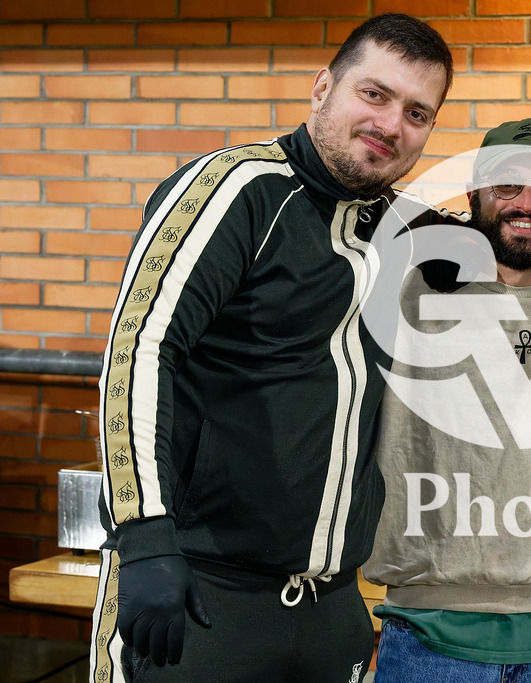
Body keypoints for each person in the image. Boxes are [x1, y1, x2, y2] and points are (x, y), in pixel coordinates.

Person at [88, 14, 453, 683]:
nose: (391, 123)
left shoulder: (406, 232)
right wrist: (143, 537)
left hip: (331, 605)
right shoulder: (237, 190)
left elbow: (517, 261)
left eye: (417, 112)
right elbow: (140, 350)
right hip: (199, 593)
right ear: (322, 89)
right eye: (373, 94)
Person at [361, 118, 531, 682]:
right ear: (474, 194)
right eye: (506, 185)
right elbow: (349, 184)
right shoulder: (408, 287)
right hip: (430, 636)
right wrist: (423, 222)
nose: (526, 203)